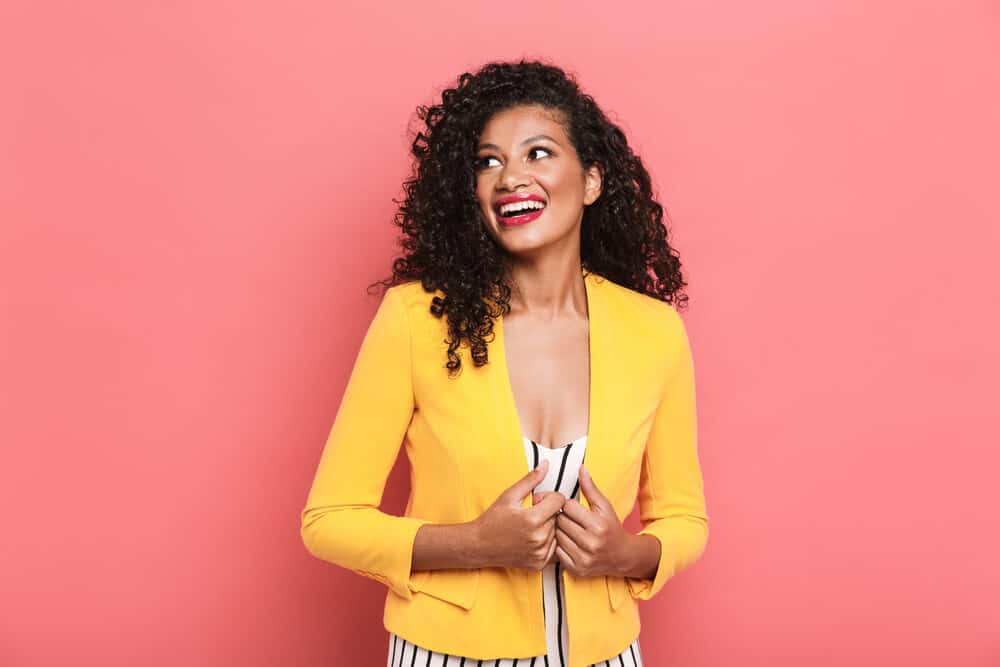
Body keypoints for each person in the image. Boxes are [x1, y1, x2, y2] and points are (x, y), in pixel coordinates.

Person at [300, 59, 709, 667]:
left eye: (538, 154)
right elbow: (328, 520)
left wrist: (624, 556)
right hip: (446, 652)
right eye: (487, 162)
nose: (510, 177)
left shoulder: (655, 333)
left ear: (592, 180)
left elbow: (684, 516)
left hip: (606, 653)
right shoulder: (416, 320)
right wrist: (473, 545)